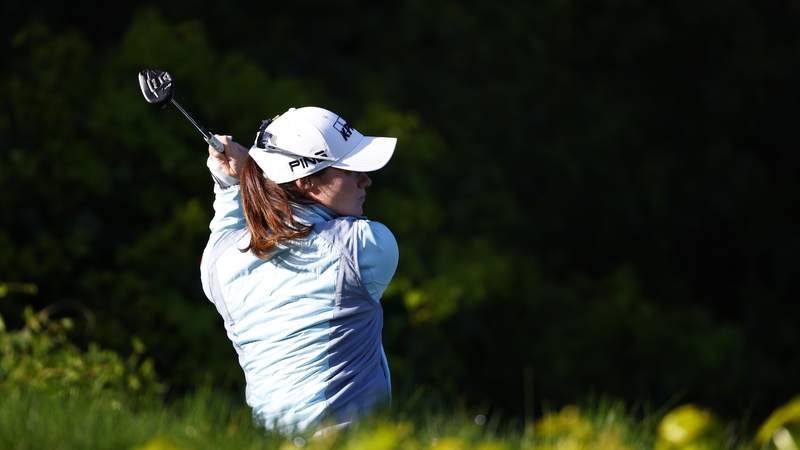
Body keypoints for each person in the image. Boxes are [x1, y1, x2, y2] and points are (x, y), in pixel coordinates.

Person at [199, 106, 399, 433]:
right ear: (305, 181)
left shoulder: (218, 264)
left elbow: (227, 226)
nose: (366, 180)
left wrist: (232, 181)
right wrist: (249, 170)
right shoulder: (365, 246)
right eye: (349, 170)